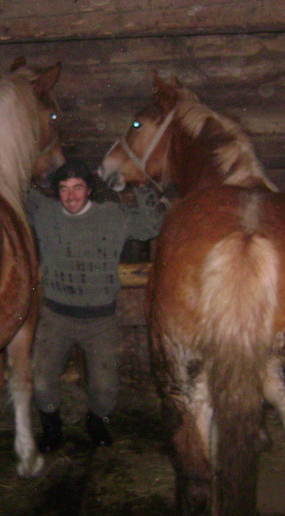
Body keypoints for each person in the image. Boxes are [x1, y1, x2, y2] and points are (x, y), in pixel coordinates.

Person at [26, 158, 164, 451]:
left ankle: (96, 421)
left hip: (100, 320)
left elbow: (152, 224)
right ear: (56, 193)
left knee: (105, 389)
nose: (70, 196)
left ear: (89, 190)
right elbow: (17, 187)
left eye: (77, 188)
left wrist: (137, 183)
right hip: (55, 316)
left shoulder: (111, 215)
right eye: (63, 189)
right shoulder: (44, 213)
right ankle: (52, 428)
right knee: (41, 382)